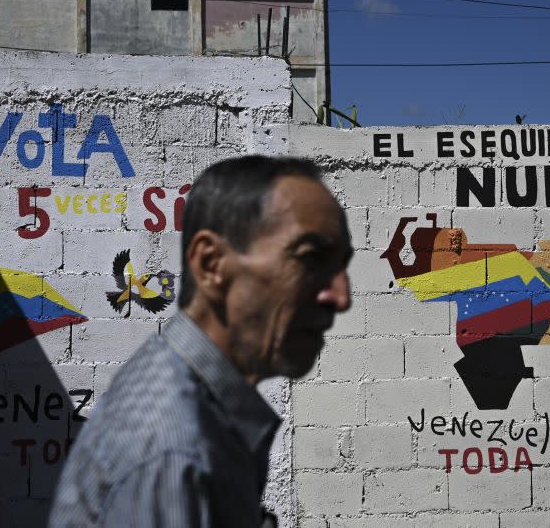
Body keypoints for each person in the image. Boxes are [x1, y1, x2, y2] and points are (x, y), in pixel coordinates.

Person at [49, 156, 353, 527]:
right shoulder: (176, 451)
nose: (341, 296)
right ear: (211, 265)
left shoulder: (192, 413)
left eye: (341, 264)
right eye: (309, 258)